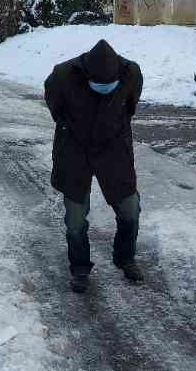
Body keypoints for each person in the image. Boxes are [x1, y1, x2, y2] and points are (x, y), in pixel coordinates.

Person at [44, 39, 145, 293]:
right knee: (75, 218)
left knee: (130, 209)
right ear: (86, 74)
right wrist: (68, 127)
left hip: (113, 148)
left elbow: (130, 105)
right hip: (75, 149)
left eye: (109, 86)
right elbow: (54, 103)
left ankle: (125, 258)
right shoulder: (63, 75)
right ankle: (79, 268)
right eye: (98, 85)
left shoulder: (130, 73)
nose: (104, 89)